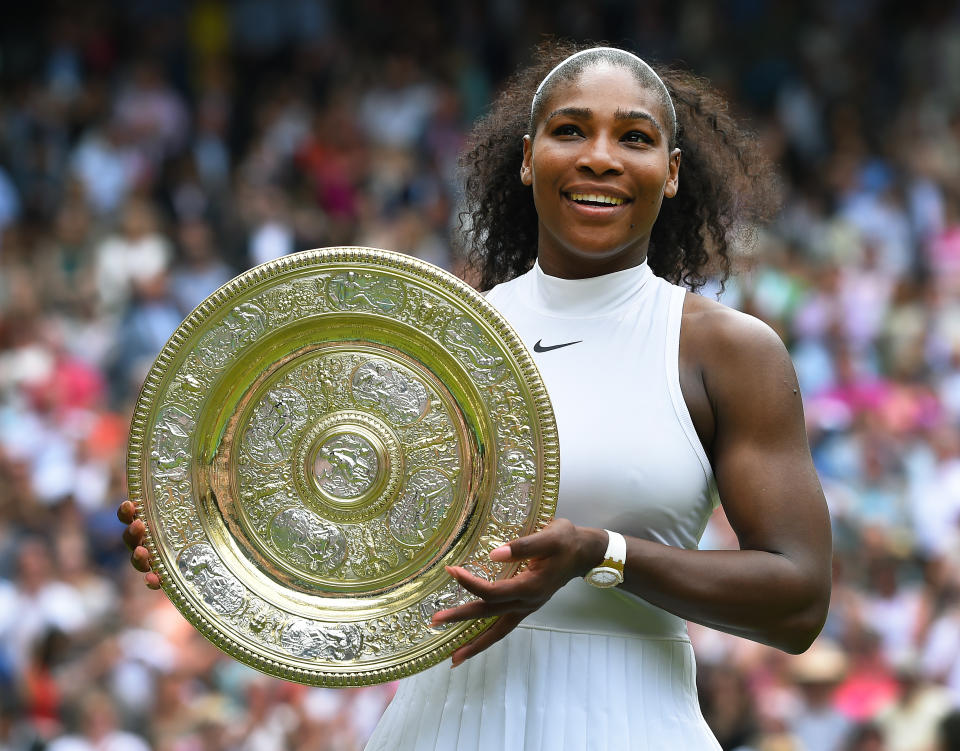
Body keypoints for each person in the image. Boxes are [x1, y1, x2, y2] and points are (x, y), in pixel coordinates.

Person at [119, 42, 833, 750]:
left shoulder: (727, 351)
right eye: (570, 129)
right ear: (527, 158)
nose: (600, 157)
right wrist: (205, 541)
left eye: (635, 138)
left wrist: (601, 552)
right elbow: (348, 516)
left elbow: (798, 599)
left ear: (671, 173)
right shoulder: (436, 338)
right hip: (441, 726)